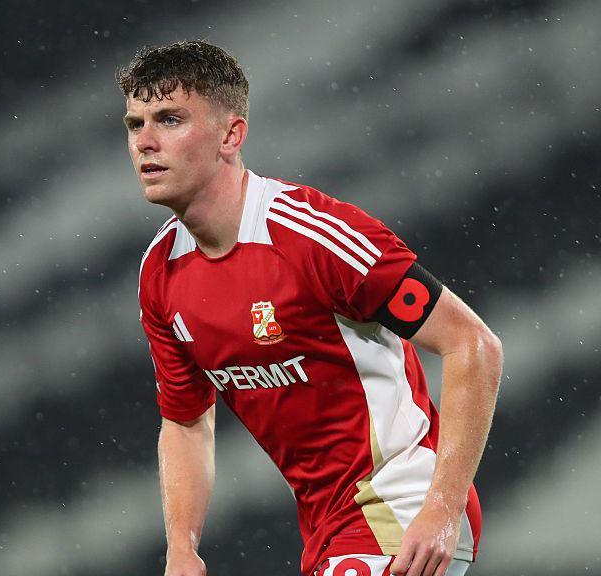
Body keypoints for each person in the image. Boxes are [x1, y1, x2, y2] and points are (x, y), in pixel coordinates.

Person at [120, 40, 503, 576]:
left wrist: (441, 510)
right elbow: (185, 423)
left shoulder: (313, 237)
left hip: (401, 507)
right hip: (327, 529)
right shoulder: (160, 273)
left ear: (231, 135)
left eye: (170, 119)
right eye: (135, 125)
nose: (146, 142)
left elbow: (474, 345)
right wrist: (182, 548)